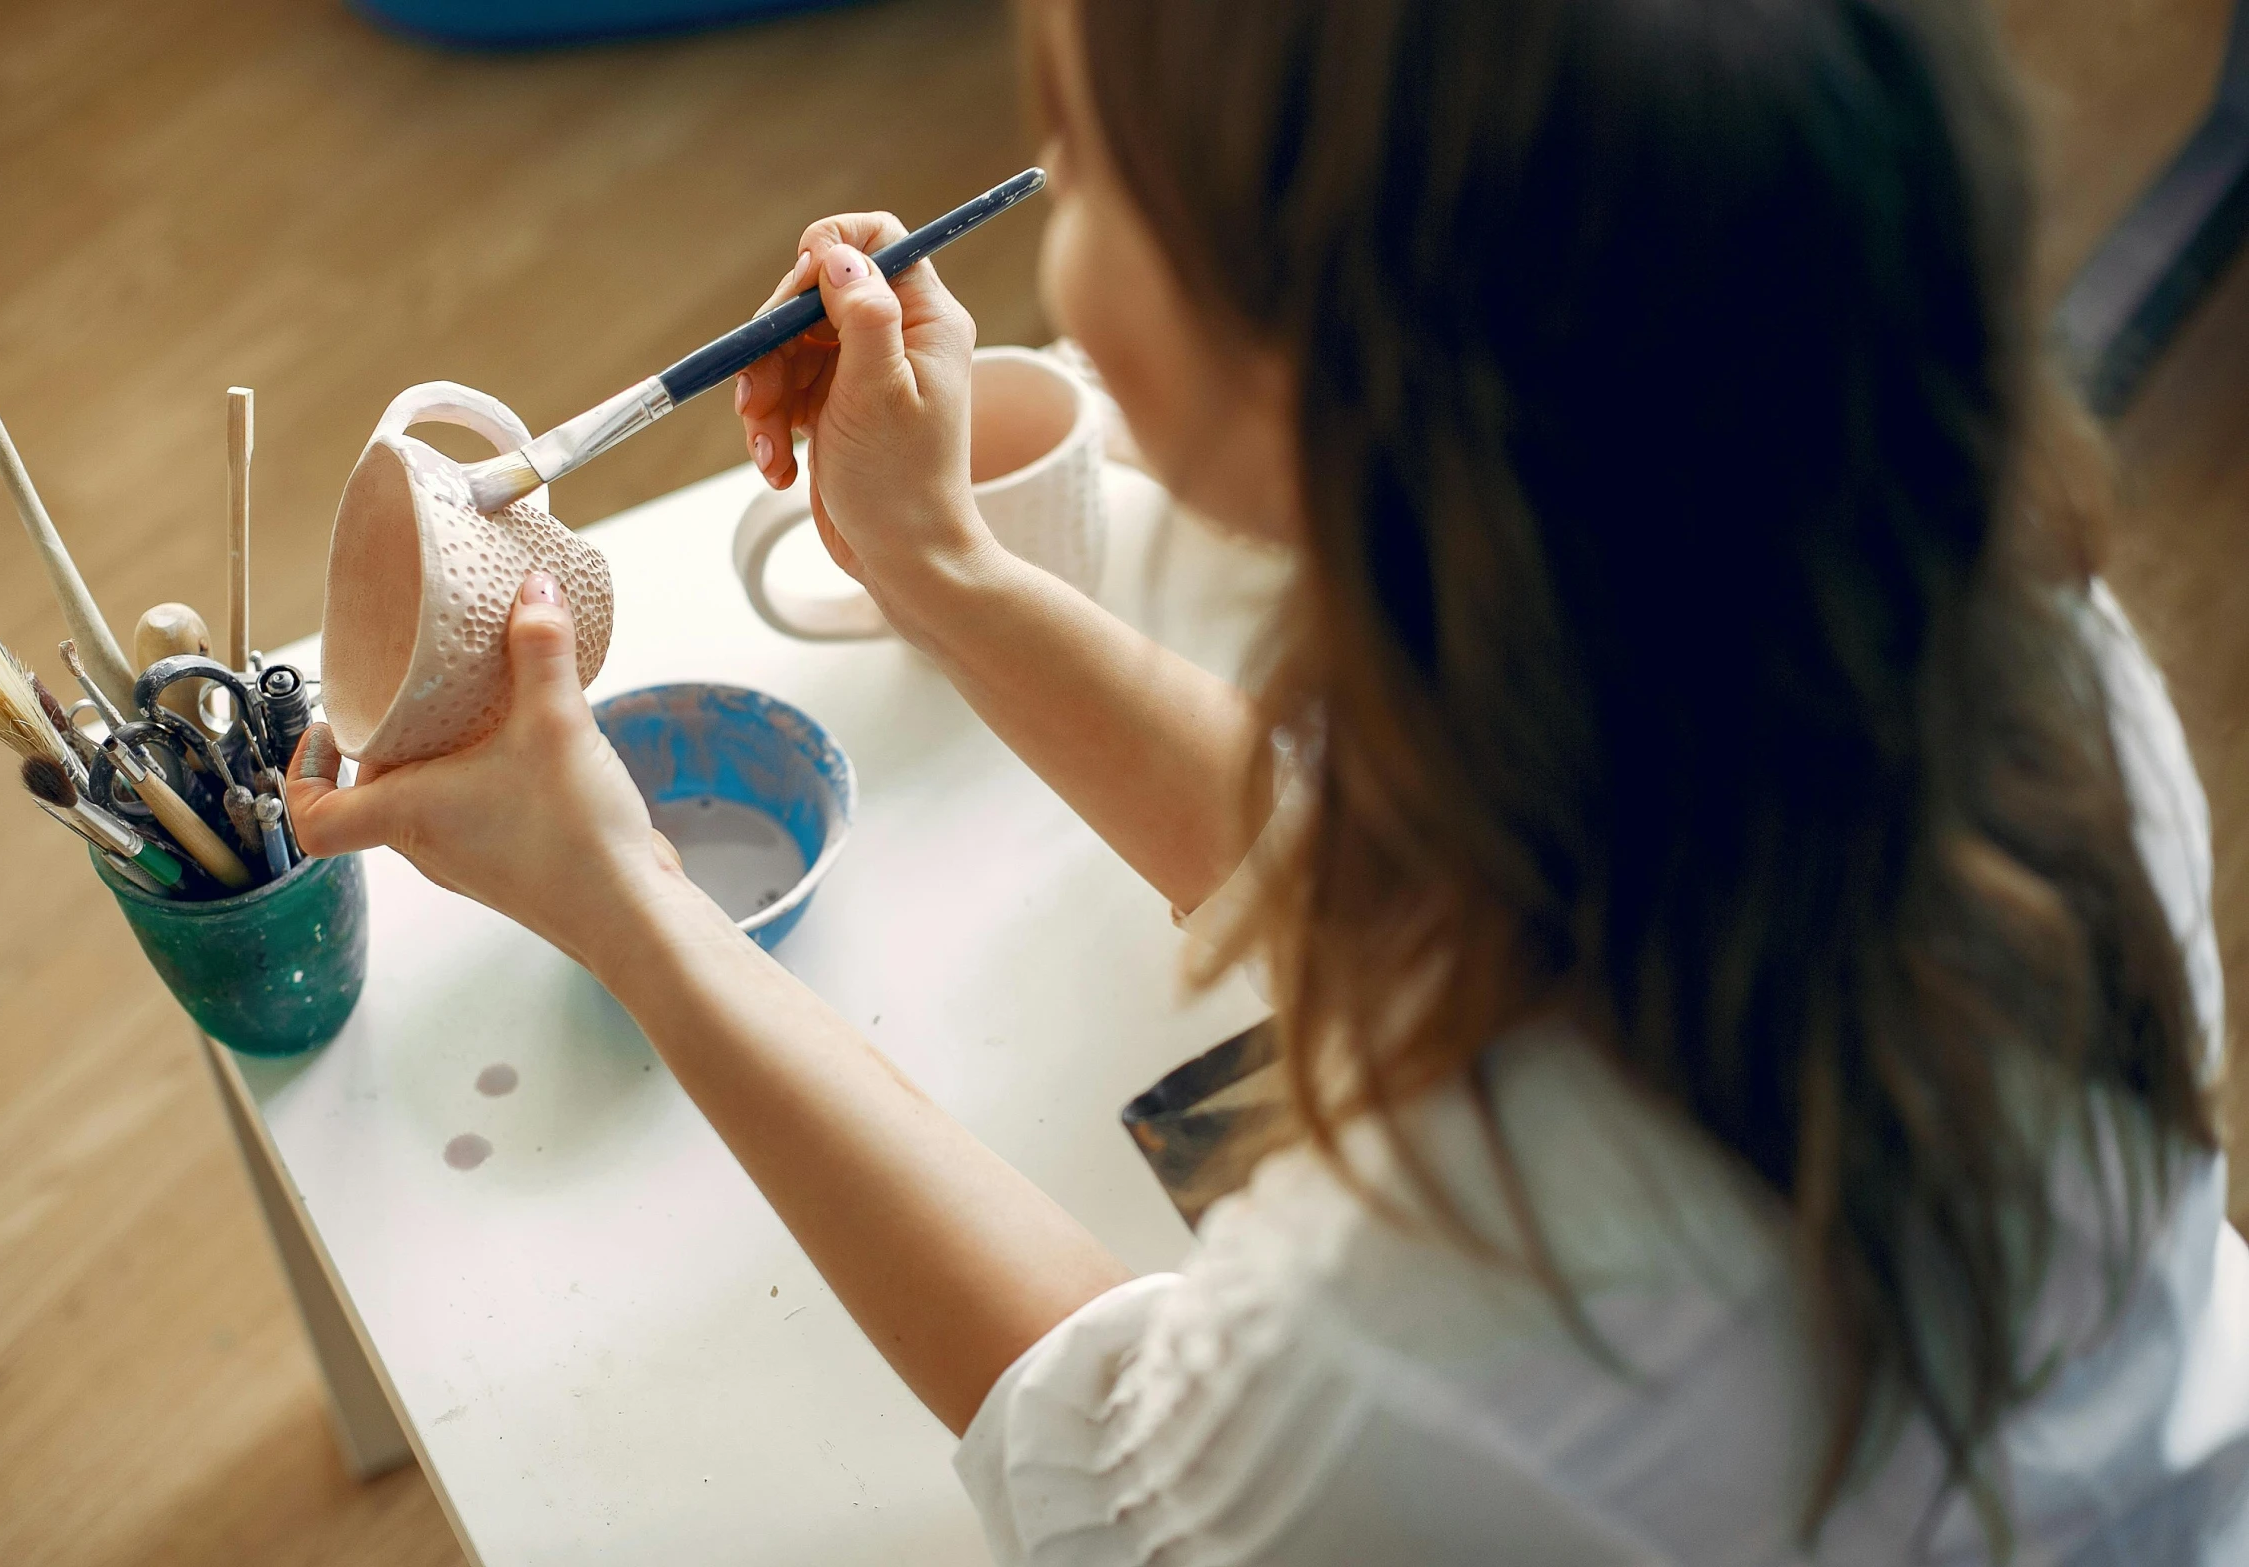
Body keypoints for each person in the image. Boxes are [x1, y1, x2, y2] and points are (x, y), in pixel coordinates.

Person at [287, 0, 2249, 1558]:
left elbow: (1117, 1476)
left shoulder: (1434, 1325)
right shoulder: (1986, 651)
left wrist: (623, 901)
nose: (1036, 204)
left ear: (1316, 376)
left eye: (1083, 168)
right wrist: (937, 564)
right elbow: (1423, 904)